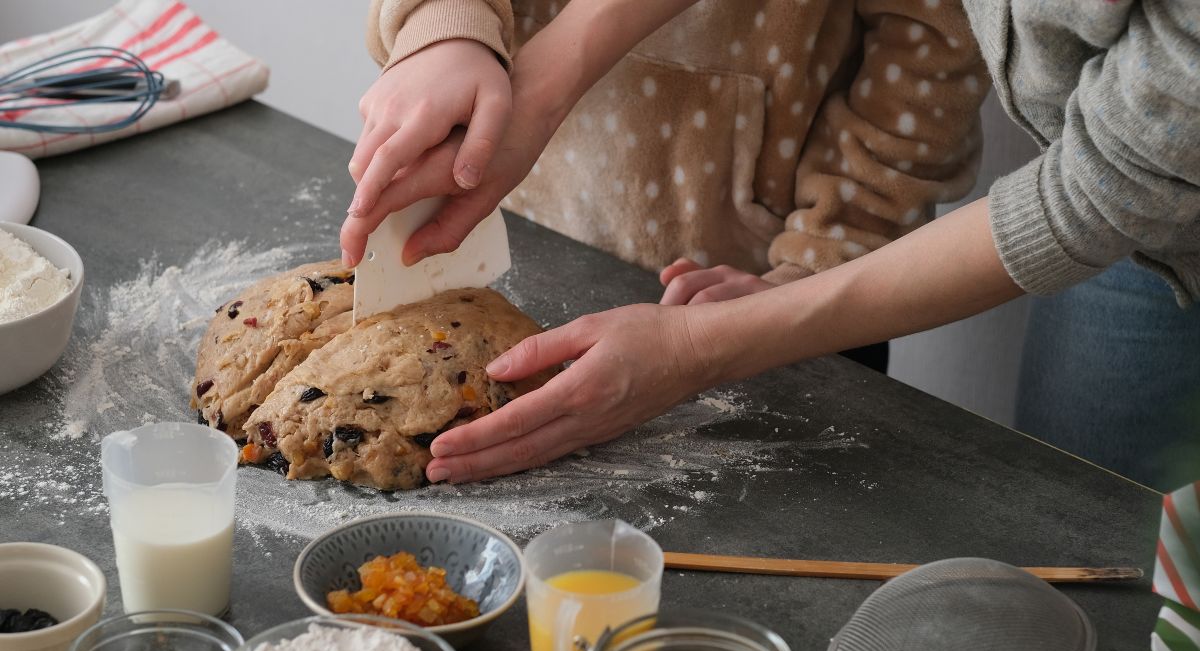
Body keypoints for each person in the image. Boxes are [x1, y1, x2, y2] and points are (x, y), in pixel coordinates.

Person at [344, 0, 1200, 486]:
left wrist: (758, 312)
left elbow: (1104, 188)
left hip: (1154, 193)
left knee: (1104, 514)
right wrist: (473, 33)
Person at [345, 0, 991, 373]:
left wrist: (818, 268)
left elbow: (933, 38)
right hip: (529, 241)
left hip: (787, 298)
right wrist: (447, 23)